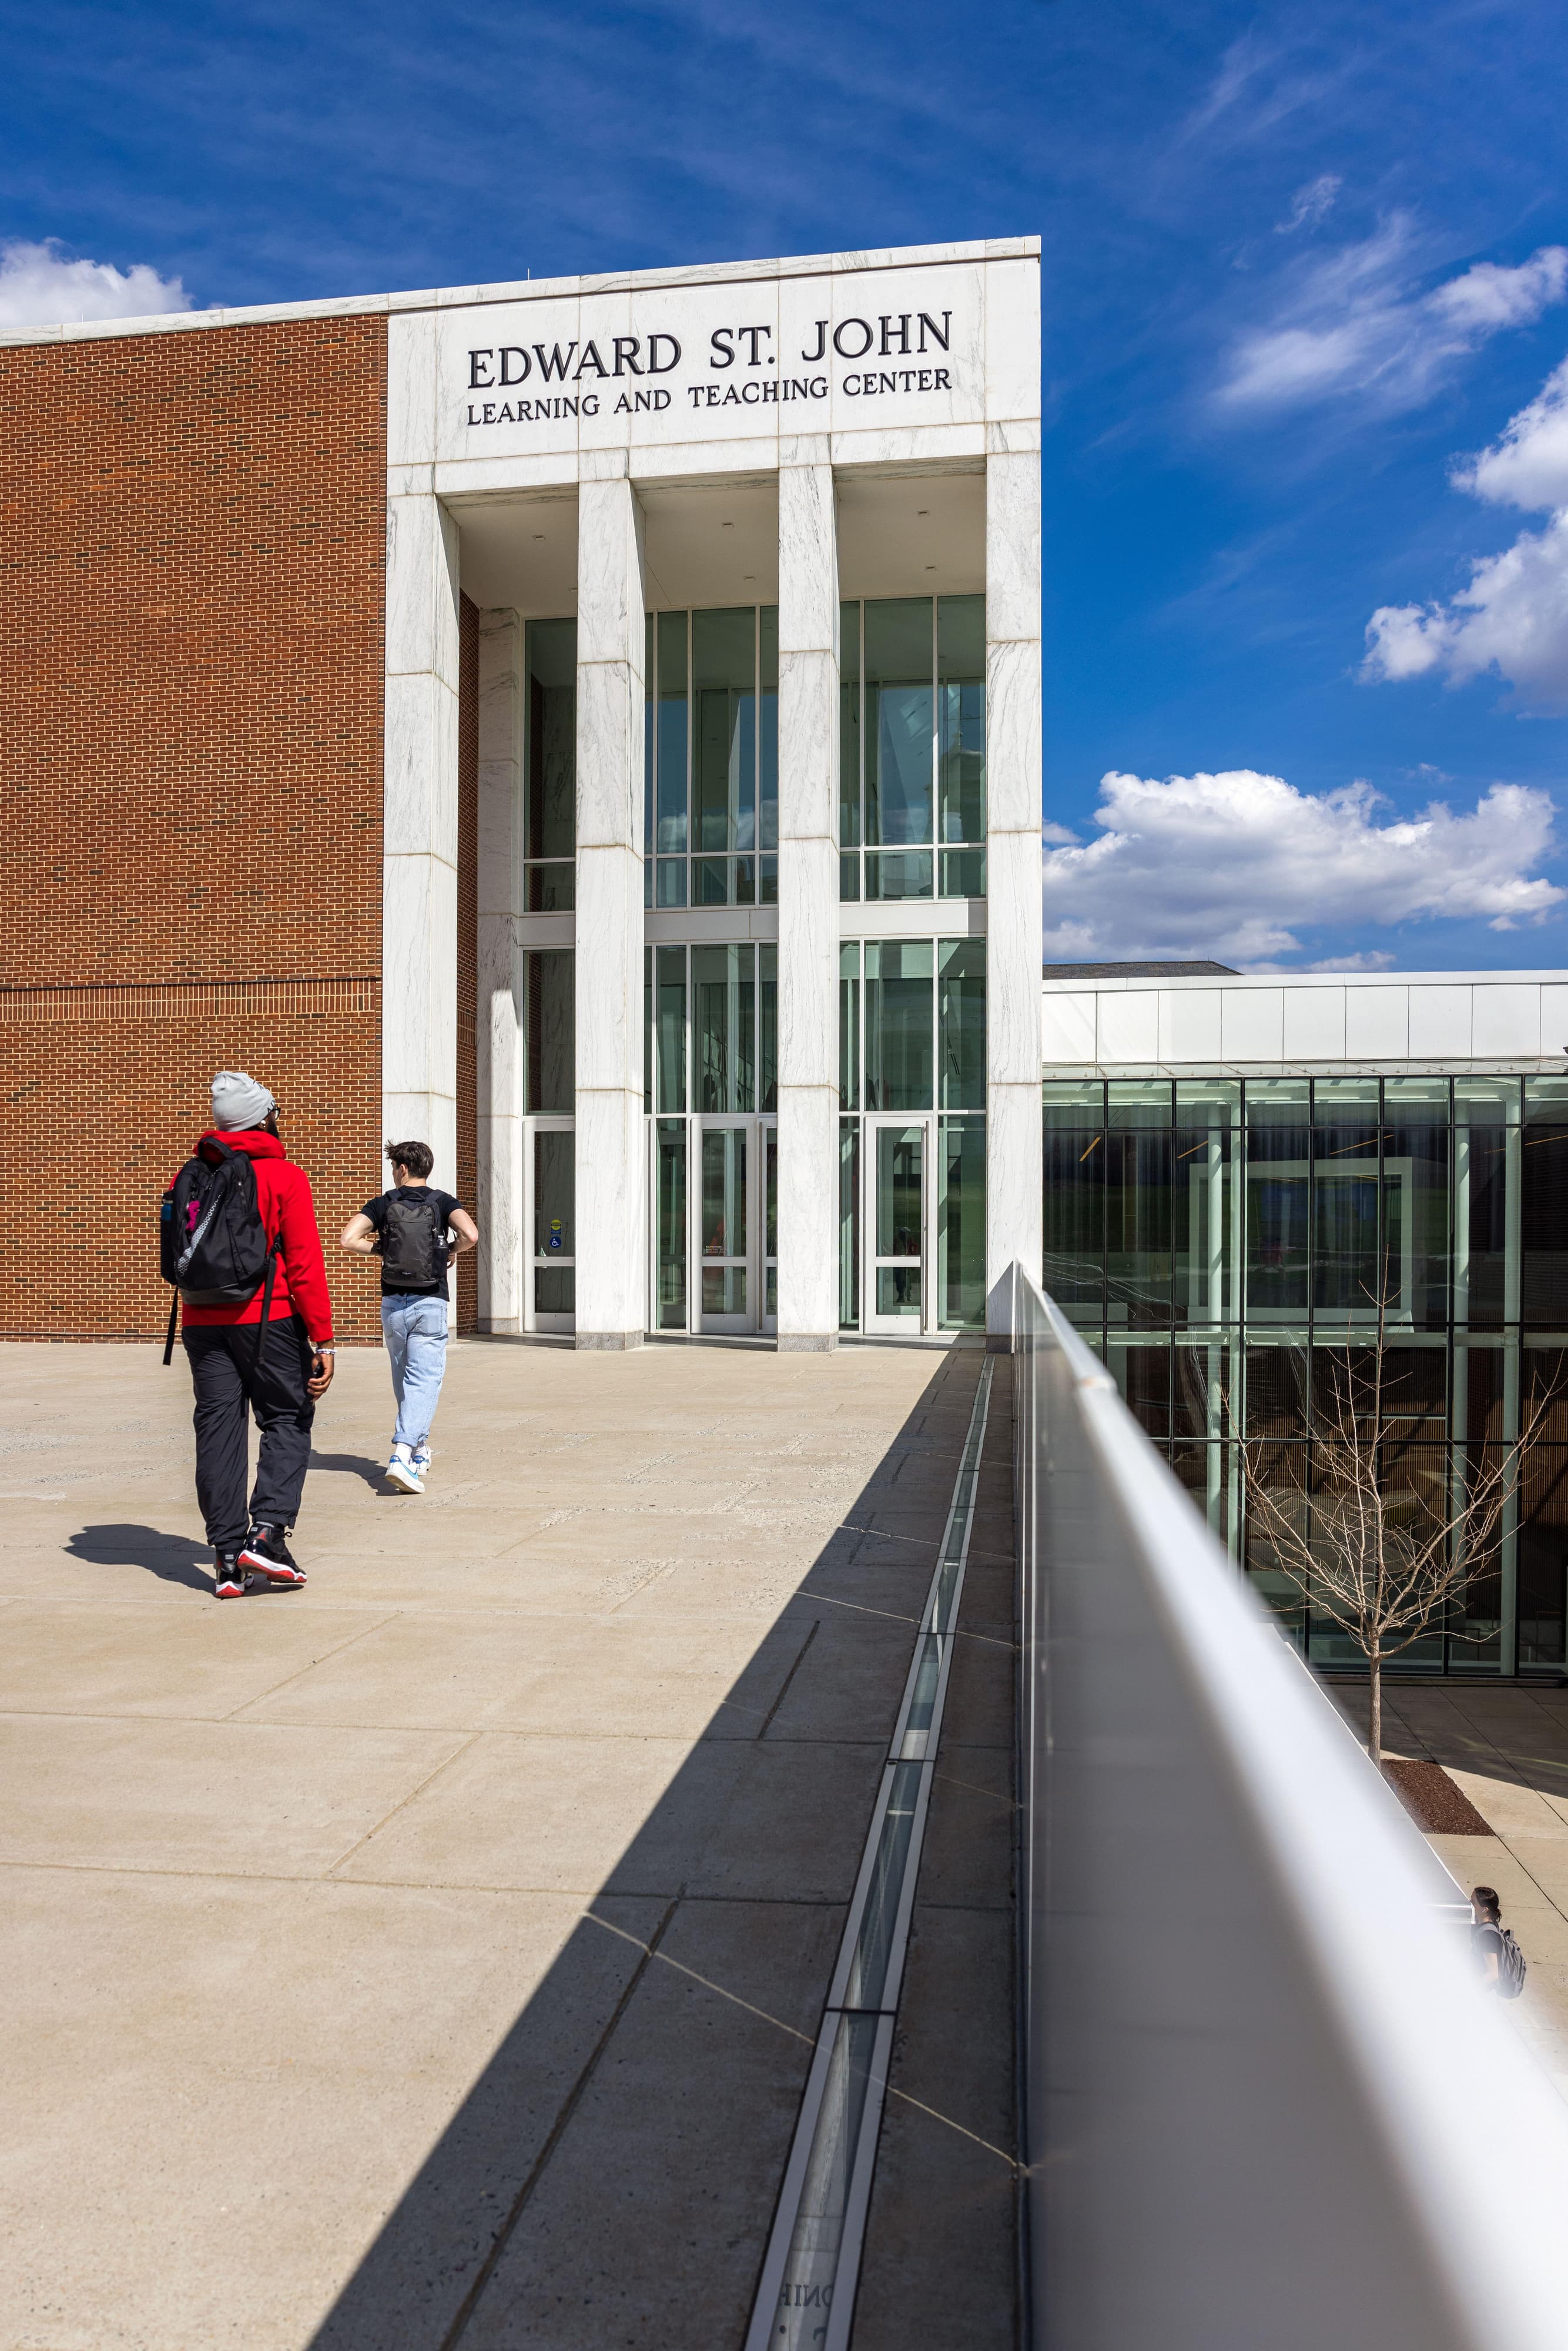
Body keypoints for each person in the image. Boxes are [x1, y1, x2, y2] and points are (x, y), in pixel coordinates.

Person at [177, 1071, 335, 1597]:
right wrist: (323, 1339)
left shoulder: (196, 1173)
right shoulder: (285, 1177)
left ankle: (226, 1559)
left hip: (201, 1322)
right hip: (268, 1321)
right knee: (287, 1417)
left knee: (218, 1430)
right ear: (262, 1118)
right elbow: (305, 1265)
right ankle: (266, 1536)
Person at [340, 1141, 477, 1494]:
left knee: (405, 1382)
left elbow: (348, 1239)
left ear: (401, 1168)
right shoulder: (443, 1200)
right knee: (424, 1382)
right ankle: (402, 1455)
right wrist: (448, 1252)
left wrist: (382, 1250)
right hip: (430, 1303)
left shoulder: (384, 1203)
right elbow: (471, 1235)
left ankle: (418, 1449)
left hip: (393, 1307)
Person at [1471, 1885, 1509, 1991]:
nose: (1469, 1903)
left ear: (1484, 1910)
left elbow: (1493, 1973)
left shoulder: (1488, 1935)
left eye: (1473, 1902)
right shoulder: (1480, 1923)